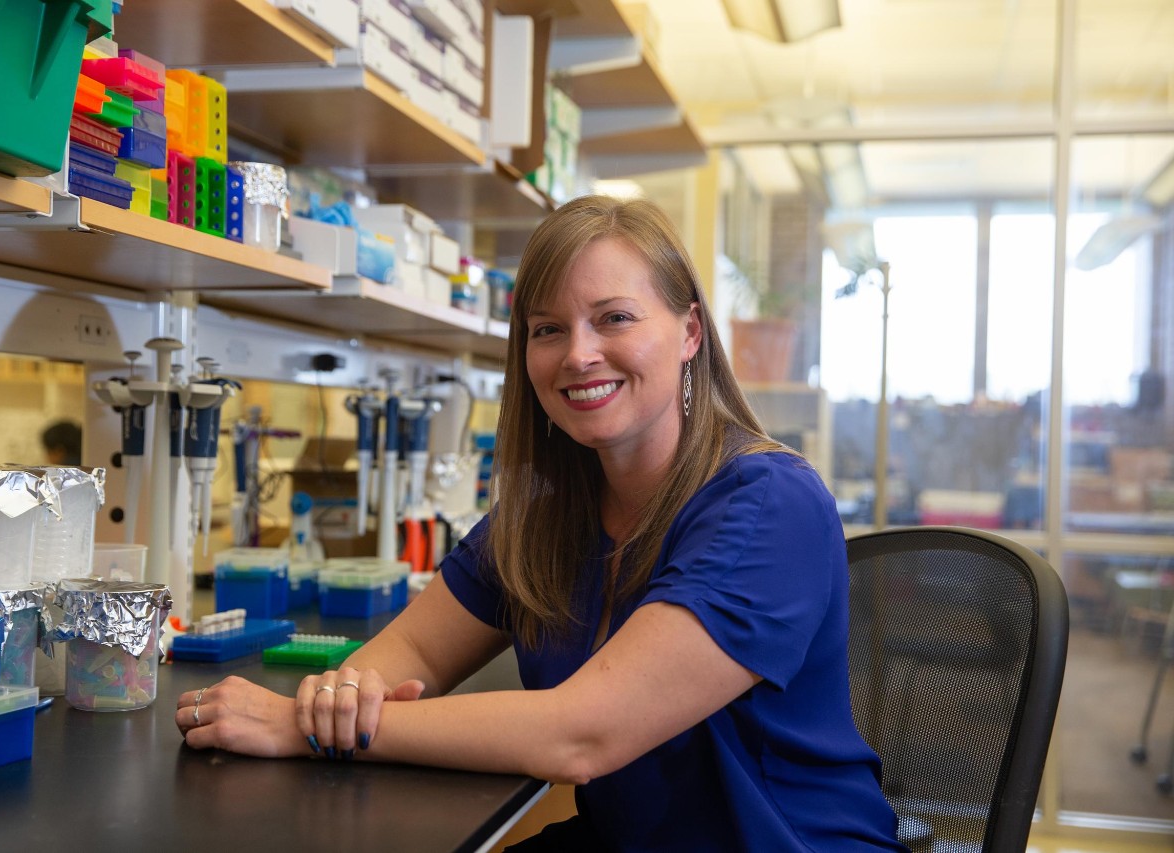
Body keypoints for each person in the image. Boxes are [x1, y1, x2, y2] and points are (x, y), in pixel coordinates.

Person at [175, 195, 906, 851]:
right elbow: (412, 655)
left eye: (614, 317)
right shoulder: (547, 517)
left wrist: (307, 729)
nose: (579, 353)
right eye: (549, 328)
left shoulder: (768, 503)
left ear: (688, 332)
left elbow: (582, 733)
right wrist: (335, 699)